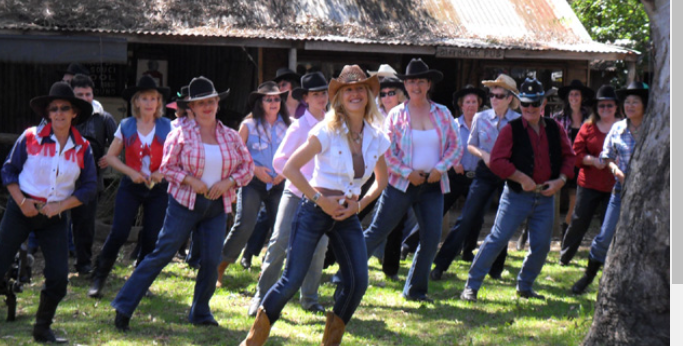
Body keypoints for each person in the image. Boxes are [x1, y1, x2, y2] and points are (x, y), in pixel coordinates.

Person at [240, 65, 390, 346]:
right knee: (291, 279)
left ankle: (329, 342)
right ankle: (252, 341)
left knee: (358, 282)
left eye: (360, 88)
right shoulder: (327, 129)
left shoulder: (377, 136)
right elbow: (291, 167)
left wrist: (360, 206)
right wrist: (320, 200)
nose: (355, 94)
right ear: (340, 97)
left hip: (347, 214)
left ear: (369, 94)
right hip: (314, 210)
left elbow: (382, 180)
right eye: (348, 89)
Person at [110, 76, 254, 330]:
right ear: (192, 108)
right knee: (161, 254)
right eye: (201, 103)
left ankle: (200, 312)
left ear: (218, 103)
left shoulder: (231, 136)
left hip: (217, 207)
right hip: (184, 204)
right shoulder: (180, 133)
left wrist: (229, 181)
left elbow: (248, 168)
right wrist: (189, 179)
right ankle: (124, 306)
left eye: (211, 101)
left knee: (210, 261)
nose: (207, 107)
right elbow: (167, 167)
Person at [460, 78, 576, 301]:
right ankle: (471, 285)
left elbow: (569, 157)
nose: (530, 108)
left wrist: (561, 180)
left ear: (543, 103)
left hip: (545, 196)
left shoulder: (554, 127)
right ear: (519, 104)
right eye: (525, 104)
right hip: (516, 196)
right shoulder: (511, 129)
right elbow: (497, 161)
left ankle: (525, 285)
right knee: (497, 239)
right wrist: (521, 177)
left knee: (542, 245)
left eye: (534, 103)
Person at [0, 82, 97, 343]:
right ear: (47, 113)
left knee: (58, 278)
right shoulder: (30, 137)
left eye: (64, 108)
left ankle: (42, 328)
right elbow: (8, 172)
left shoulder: (83, 148)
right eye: (53, 109)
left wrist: (60, 206)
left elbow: (89, 188)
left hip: (55, 216)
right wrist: (22, 202)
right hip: (21, 208)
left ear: (74, 112)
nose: (59, 113)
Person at [361, 58, 462, 302]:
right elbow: (386, 151)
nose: (416, 86)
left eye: (420, 81)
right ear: (405, 86)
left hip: (433, 185)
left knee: (430, 239)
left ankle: (415, 290)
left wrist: (440, 168)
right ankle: (346, 273)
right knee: (376, 231)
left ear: (429, 84)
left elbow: (456, 146)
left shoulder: (443, 113)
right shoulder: (396, 114)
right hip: (401, 185)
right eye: (411, 81)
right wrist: (407, 172)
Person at [247, 71, 330, 317]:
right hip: (295, 194)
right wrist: (301, 182)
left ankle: (310, 299)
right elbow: (279, 161)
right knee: (279, 242)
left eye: (324, 93)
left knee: (320, 247)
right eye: (316, 94)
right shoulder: (299, 126)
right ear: (305, 98)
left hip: (322, 197)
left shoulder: (333, 123)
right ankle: (261, 296)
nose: (322, 98)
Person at [430, 74, 520, 281]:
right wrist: (484, 155)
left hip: (508, 174)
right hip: (485, 172)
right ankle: (440, 265)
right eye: (492, 95)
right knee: (467, 217)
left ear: (509, 98)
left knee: (502, 220)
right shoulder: (481, 118)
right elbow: (471, 145)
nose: (494, 99)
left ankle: (496, 268)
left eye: (499, 95)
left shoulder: (518, 122)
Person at [88, 75, 171, 298]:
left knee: (152, 235)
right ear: (136, 102)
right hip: (131, 186)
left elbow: (175, 158)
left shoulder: (167, 126)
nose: (149, 103)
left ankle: (139, 282)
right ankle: (99, 276)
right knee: (119, 232)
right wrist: (131, 173)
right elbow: (111, 157)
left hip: (158, 188)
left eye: (153, 98)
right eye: (144, 98)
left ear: (159, 102)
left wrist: (161, 172)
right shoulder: (126, 125)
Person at [570, 81, 648, 294]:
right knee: (604, 235)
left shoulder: (653, 128)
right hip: (620, 190)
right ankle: (588, 277)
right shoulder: (618, 128)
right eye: (627, 102)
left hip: (649, 193)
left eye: (635, 102)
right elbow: (607, 155)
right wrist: (616, 171)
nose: (630, 106)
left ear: (644, 104)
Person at [216, 81, 291, 287]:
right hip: (252, 182)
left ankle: (269, 273)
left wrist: (283, 174)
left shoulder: (290, 124)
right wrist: (256, 170)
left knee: (281, 229)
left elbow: (296, 154)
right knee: (245, 225)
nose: (274, 102)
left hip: (280, 183)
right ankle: (219, 266)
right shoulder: (247, 125)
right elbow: (236, 153)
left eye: (277, 99)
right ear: (260, 102)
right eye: (269, 99)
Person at [559, 85, 620, 266]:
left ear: (616, 107)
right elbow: (575, 153)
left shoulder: (624, 127)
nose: (605, 109)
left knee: (609, 224)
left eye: (609, 106)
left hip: (614, 185)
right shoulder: (588, 126)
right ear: (596, 108)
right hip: (589, 183)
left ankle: (607, 260)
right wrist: (592, 160)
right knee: (579, 221)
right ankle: (565, 256)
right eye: (602, 106)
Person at [68, 73, 117, 275]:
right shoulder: (63, 114)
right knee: (59, 223)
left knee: (85, 224)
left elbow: (118, 141)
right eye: (80, 94)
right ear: (72, 95)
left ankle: (84, 264)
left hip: (90, 178)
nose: (85, 98)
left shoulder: (104, 118)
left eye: (88, 94)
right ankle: (57, 263)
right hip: (62, 176)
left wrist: (109, 157)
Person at [553, 80, 594, 235]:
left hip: (581, 164)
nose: (574, 97)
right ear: (567, 98)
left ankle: (566, 232)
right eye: (571, 94)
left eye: (577, 94)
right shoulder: (558, 117)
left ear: (582, 97)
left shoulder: (590, 118)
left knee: (575, 201)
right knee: (551, 199)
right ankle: (545, 231)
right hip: (562, 163)